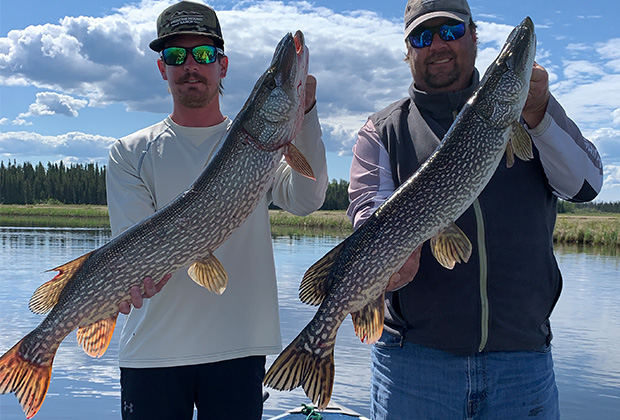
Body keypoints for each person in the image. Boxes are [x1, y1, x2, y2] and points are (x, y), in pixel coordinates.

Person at [347, 0, 604, 419]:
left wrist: (539, 112)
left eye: (450, 31)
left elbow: (586, 185)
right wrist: (388, 267)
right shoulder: (383, 130)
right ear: (407, 50)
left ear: (474, 36)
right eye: (422, 36)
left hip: (522, 363)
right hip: (415, 365)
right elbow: (368, 218)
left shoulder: (528, 116)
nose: (437, 45)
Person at [106, 2, 328, 419]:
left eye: (204, 55)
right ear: (162, 69)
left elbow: (307, 200)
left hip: (239, 348)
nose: (191, 65)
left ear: (222, 66)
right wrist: (133, 280)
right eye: (176, 56)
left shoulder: (261, 143)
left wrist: (307, 115)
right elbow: (133, 244)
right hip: (152, 353)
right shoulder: (129, 153)